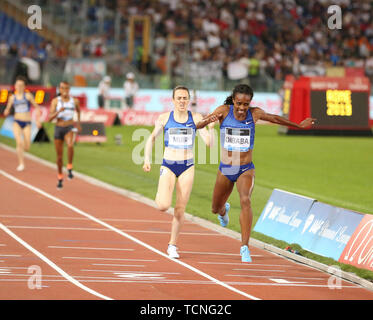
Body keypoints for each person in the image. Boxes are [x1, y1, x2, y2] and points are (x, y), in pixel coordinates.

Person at [196, 84, 316, 263]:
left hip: (245, 168)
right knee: (215, 208)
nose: (242, 108)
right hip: (226, 168)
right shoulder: (223, 111)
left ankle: (245, 247)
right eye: (239, 104)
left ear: (250, 103)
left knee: (245, 200)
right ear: (234, 101)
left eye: (246, 104)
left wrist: (298, 125)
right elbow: (199, 125)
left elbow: (275, 118)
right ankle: (223, 211)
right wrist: (205, 122)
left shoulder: (255, 114)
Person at [143, 86, 215, 259]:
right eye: (179, 98)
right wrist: (146, 158)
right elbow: (151, 138)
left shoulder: (196, 118)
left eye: (185, 98)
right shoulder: (164, 118)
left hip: (187, 166)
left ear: (188, 100)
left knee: (180, 209)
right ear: (173, 100)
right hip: (168, 164)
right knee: (163, 206)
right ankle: (161, 193)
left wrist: (211, 128)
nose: (182, 101)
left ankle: (172, 245)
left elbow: (209, 144)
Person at [3, 76, 41, 171]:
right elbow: (7, 108)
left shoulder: (28, 96)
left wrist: (37, 120)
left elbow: (37, 108)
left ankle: (25, 148)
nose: (19, 87)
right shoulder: (12, 98)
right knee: (19, 142)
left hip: (27, 122)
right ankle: (21, 163)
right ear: (15, 86)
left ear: (24, 87)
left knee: (27, 146)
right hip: (16, 121)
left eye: (21, 85)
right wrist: (6, 111)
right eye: (17, 85)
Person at [48, 81, 81, 189]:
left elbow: (79, 111)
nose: (65, 91)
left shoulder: (74, 101)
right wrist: (58, 112)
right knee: (59, 157)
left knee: (70, 145)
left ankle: (70, 166)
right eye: (62, 88)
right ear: (59, 89)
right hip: (59, 128)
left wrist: (79, 123)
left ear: (69, 89)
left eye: (66, 88)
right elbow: (49, 118)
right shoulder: (55, 101)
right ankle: (60, 177)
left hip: (69, 127)